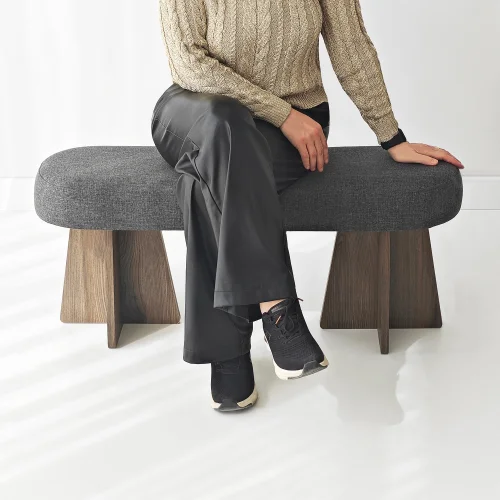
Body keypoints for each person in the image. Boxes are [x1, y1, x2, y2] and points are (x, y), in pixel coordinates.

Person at [151, 0, 463, 412]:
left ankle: (228, 355)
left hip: (293, 125)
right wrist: (282, 114)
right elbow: (189, 64)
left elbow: (351, 47)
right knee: (225, 125)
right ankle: (278, 310)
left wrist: (391, 136)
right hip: (197, 112)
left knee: (201, 184)